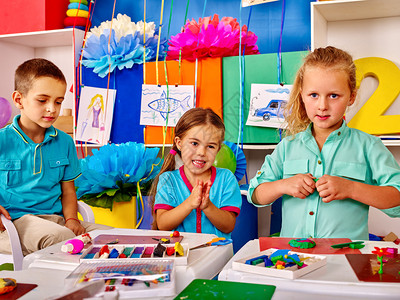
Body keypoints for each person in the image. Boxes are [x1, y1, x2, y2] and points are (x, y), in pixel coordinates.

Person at [248, 46, 400, 240]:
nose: (322, 106)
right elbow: (255, 194)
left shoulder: (369, 146)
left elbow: (397, 198)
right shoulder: (287, 147)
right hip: (294, 260)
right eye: (314, 95)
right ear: (302, 95)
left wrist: (351, 188)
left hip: (348, 262)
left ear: (351, 97)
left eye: (334, 96)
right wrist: (284, 185)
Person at [0, 58, 111, 256]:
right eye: (42, 100)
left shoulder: (65, 142)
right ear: (19, 100)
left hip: (55, 219)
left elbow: (68, 191)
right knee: (61, 239)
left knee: (112, 237)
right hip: (15, 223)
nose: (52, 108)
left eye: (58, 101)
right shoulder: (3, 140)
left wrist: (72, 220)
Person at [150, 107, 242, 239]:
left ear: (218, 149)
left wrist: (208, 206)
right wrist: (190, 203)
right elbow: (163, 224)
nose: (201, 153)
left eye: (210, 146)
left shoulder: (226, 178)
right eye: (194, 143)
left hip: (217, 256)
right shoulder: (168, 179)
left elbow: (228, 225)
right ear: (179, 143)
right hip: (180, 256)